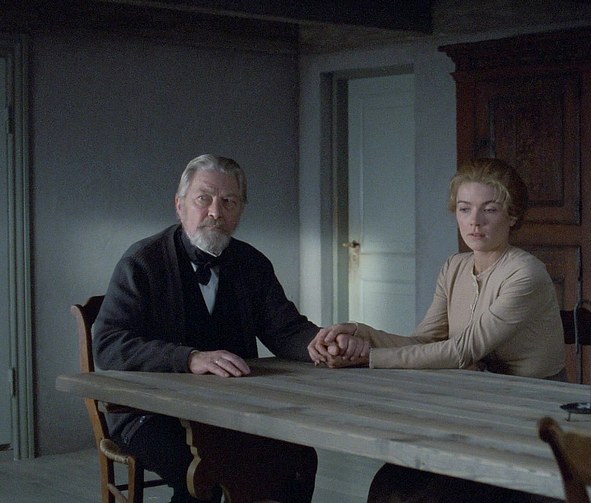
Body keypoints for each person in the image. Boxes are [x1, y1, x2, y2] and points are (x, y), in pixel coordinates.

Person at [308, 157, 564, 503]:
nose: (474, 221)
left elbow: (460, 351)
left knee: (426, 495)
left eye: (489, 209)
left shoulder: (525, 273)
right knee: (389, 487)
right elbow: (423, 341)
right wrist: (358, 331)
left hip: (533, 416)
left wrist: (367, 358)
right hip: (476, 405)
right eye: (464, 209)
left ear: (512, 216)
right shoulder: (454, 267)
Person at [94, 154, 319, 503]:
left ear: (240, 211)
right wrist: (189, 358)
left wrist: (322, 344)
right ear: (180, 205)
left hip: (231, 410)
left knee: (299, 459)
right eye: (204, 198)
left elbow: (286, 331)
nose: (216, 211)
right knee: (204, 475)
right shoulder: (142, 261)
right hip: (150, 413)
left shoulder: (252, 264)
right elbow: (108, 344)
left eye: (229, 201)